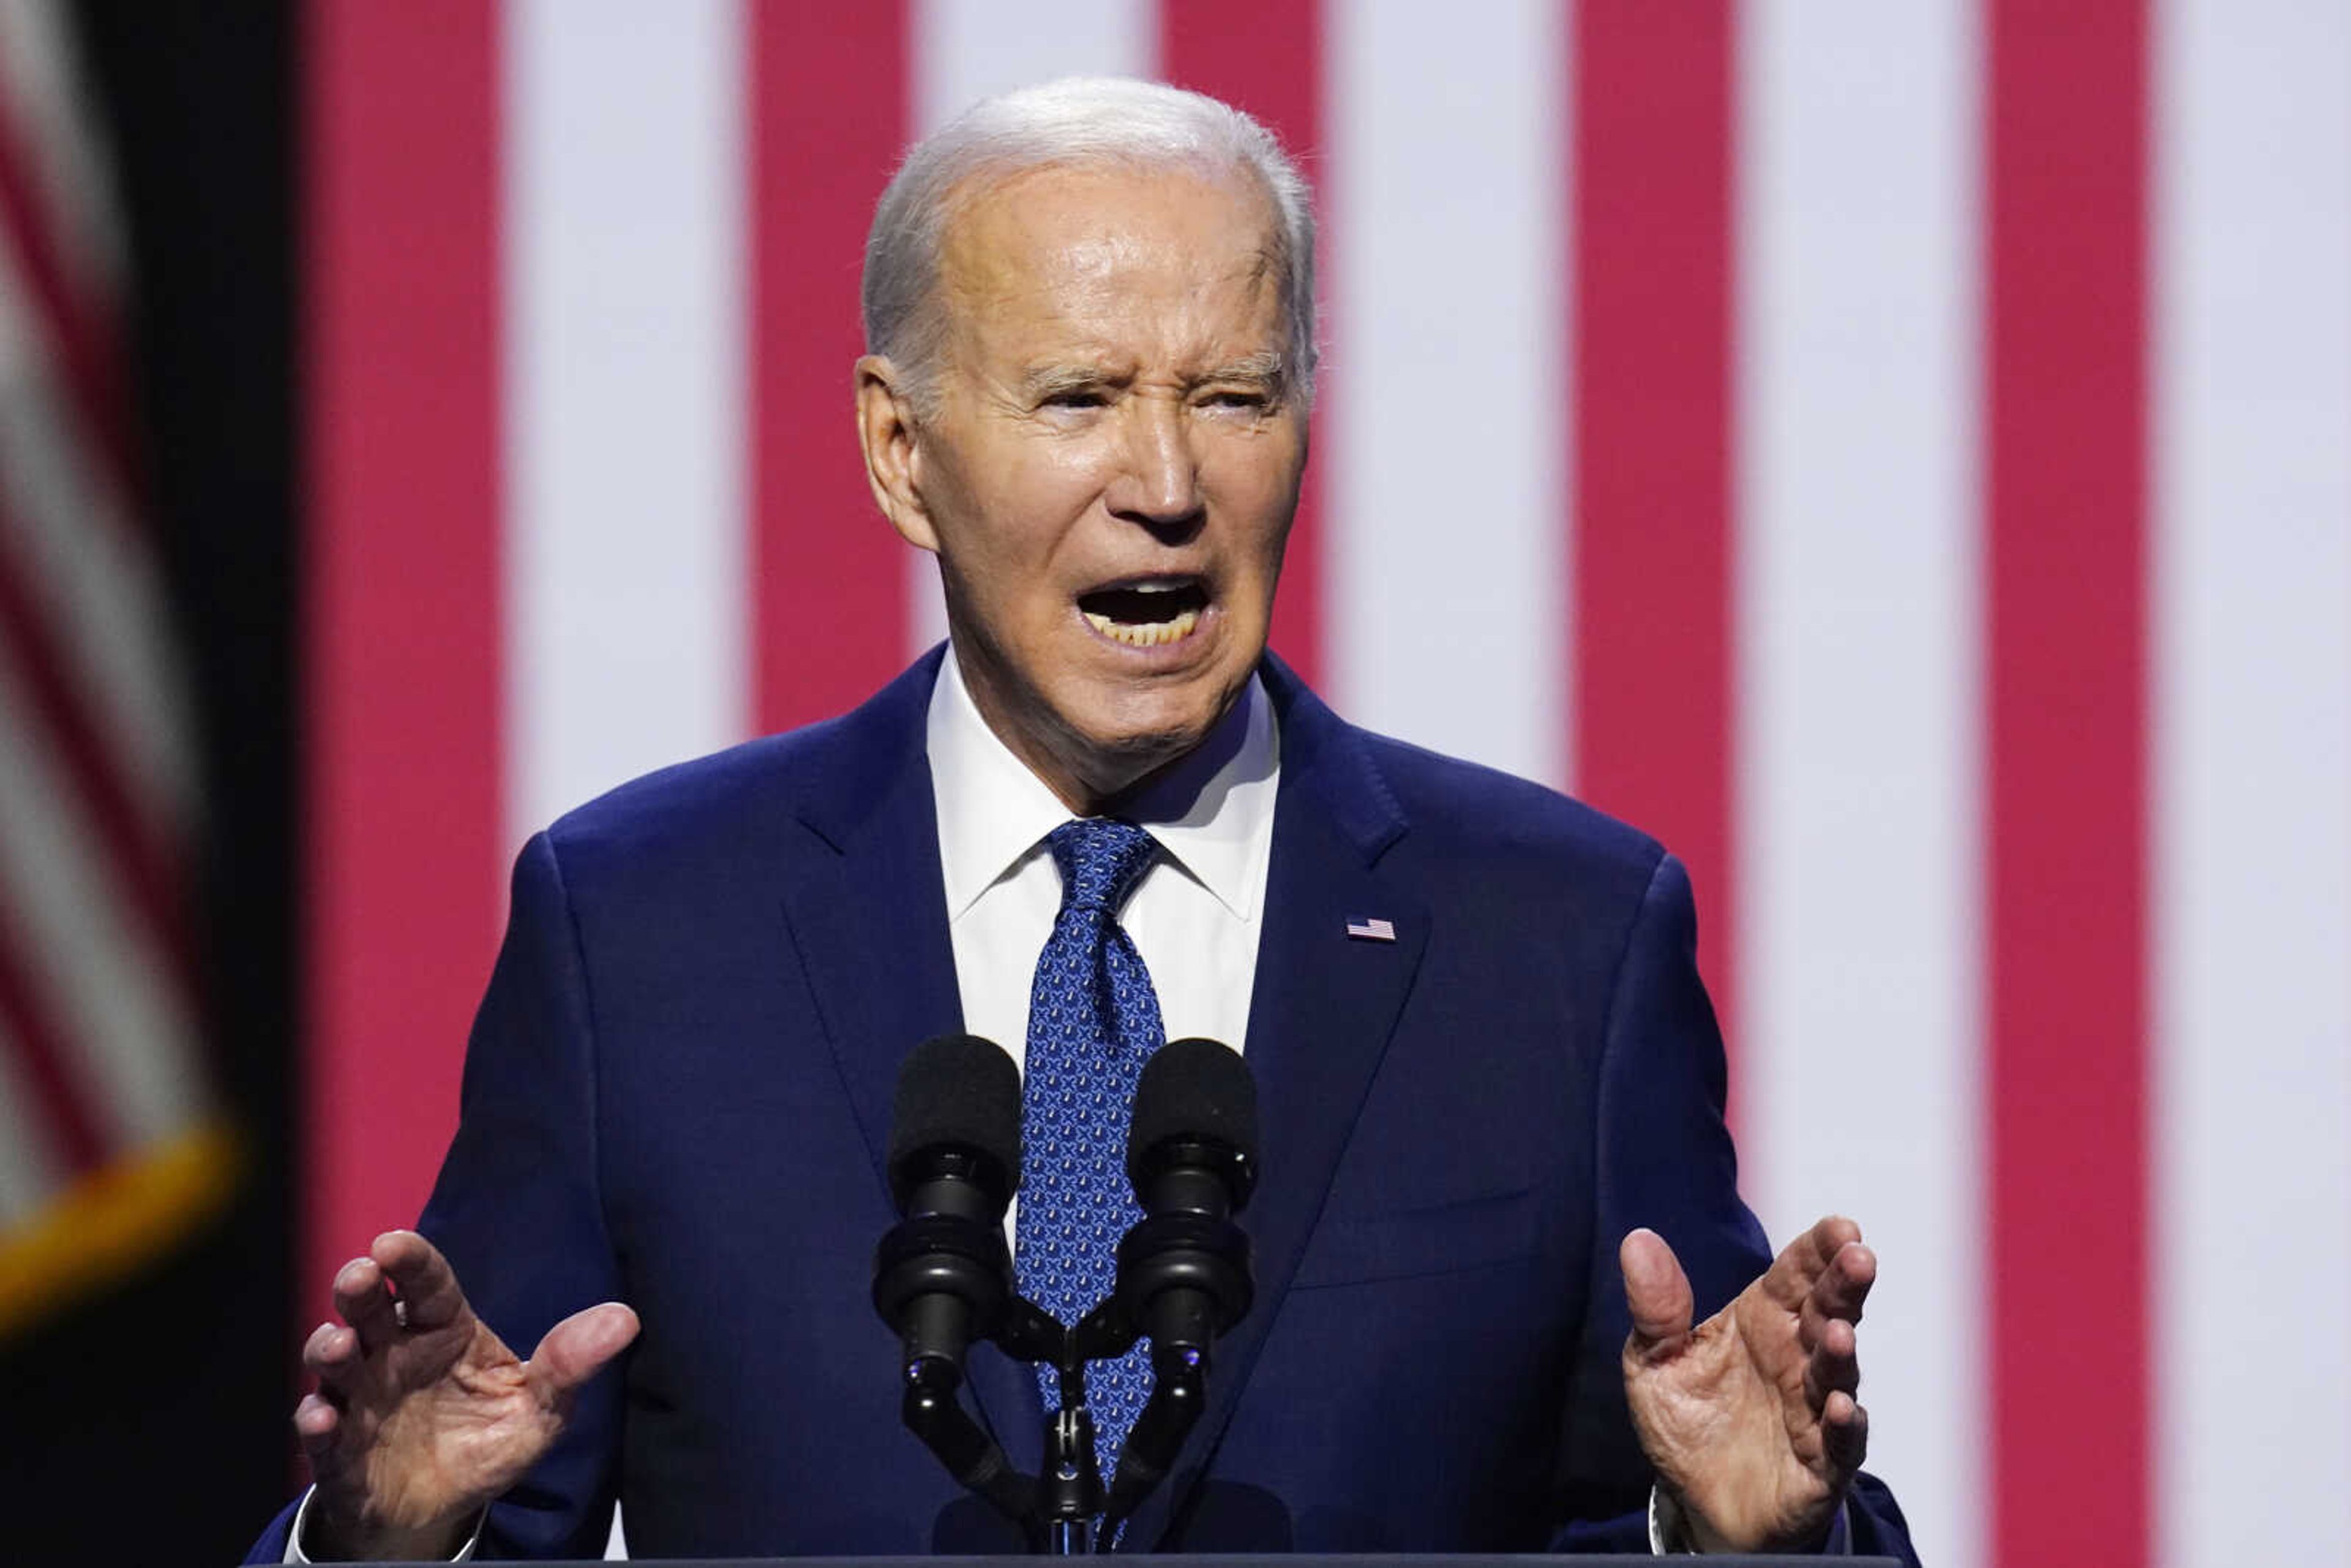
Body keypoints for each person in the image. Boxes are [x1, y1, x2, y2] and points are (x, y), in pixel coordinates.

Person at [254, 79, 1916, 1562]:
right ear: (902, 452)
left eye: (1236, 395)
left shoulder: (1557, 939)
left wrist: (1746, 1540)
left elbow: (1711, 1475)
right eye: (1079, 398)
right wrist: (392, 1549)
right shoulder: (639, 930)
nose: (1170, 483)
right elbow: (495, 1478)